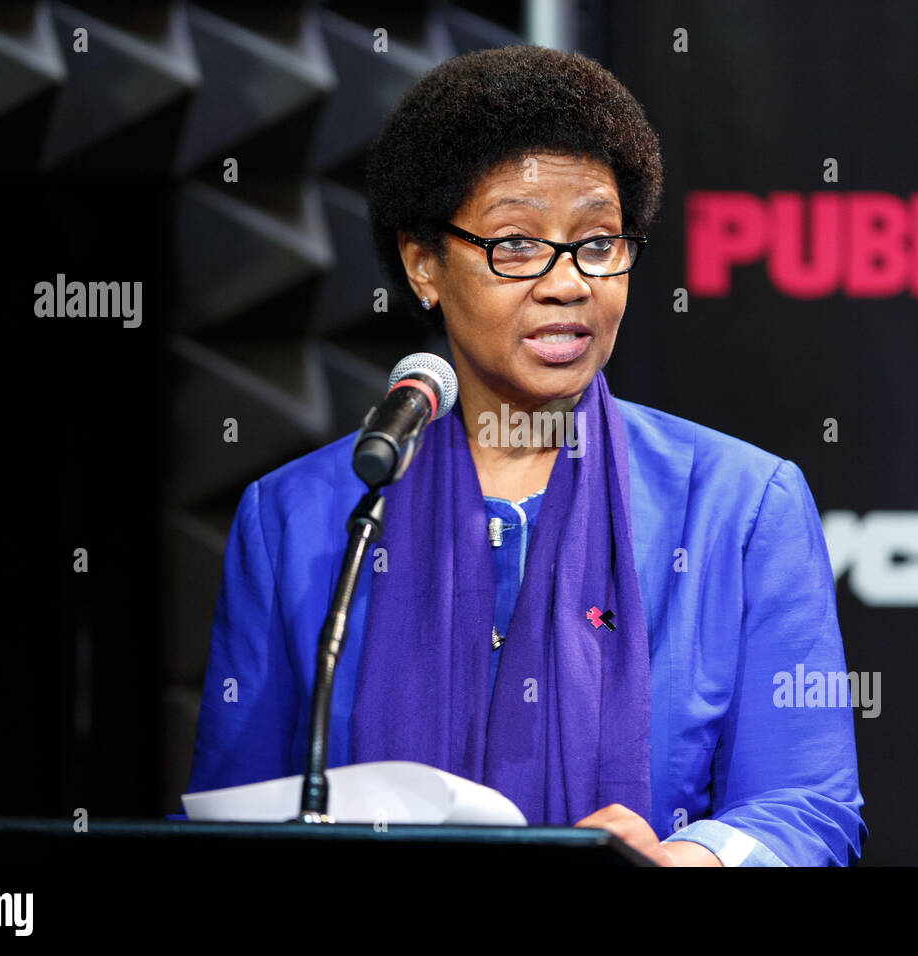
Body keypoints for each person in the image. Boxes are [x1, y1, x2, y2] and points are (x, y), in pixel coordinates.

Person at [186, 45, 867, 867]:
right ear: (423, 264)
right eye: (515, 243)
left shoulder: (742, 504)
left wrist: (688, 860)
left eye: (597, 242)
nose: (567, 282)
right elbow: (230, 824)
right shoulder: (301, 516)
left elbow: (811, 809)